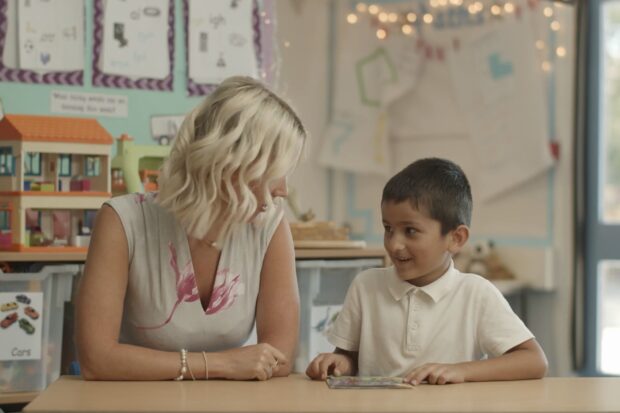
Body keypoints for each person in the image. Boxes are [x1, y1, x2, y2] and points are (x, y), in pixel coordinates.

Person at [76, 76, 307, 381]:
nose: (283, 191)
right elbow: (96, 359)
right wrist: (221, 364)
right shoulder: (122, 221)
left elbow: (278, 359)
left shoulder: (270, 227)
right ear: (231, 164)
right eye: (275, 172)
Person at [306, 158, 548, 385]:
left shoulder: (476, 293)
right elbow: (349, 357)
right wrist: (339, 363)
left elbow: (534, 361)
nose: (394, 244)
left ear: (456, 238)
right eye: (388, 228)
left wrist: (461, 370)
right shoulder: (365, 285)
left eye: (410, 231)